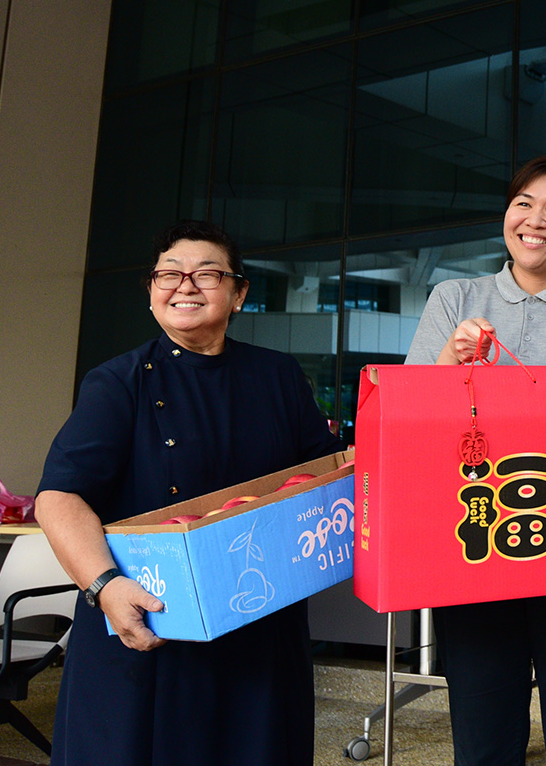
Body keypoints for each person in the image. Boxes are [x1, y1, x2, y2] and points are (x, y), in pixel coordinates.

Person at [35, 220, 345, 766]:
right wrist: (105, 586)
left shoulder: (277, 376)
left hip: (258, 622)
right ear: (152, 292)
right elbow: (59, 497)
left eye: (207, 273)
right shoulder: (119, 382)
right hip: (149, 621)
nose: (185, 285)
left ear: (239, 293)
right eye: (169, 274)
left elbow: (328, 478)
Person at [405, 156, 546, 766]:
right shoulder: (455, 299)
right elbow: (410, 422)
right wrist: (451, 363)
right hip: (475, 544)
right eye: (523, 203)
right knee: (483, 736)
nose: (535, 220)